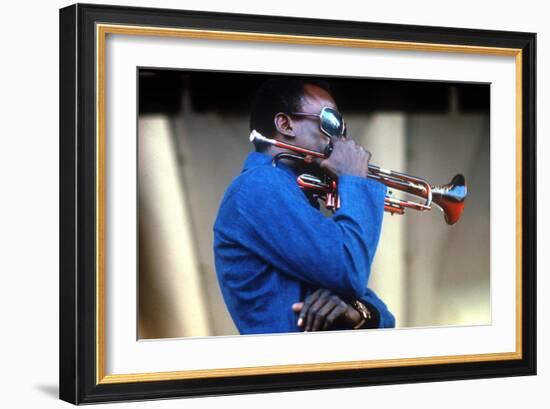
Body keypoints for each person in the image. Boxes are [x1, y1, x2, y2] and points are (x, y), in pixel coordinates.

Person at [213, 78, 395, 335]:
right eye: (331, 122)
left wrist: (358, 312)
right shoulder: (259, 186)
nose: (340, 137)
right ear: (285, 125)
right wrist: (354, 181)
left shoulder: (290, 190)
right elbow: (349, 270)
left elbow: (382, 314)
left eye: (342, 127)